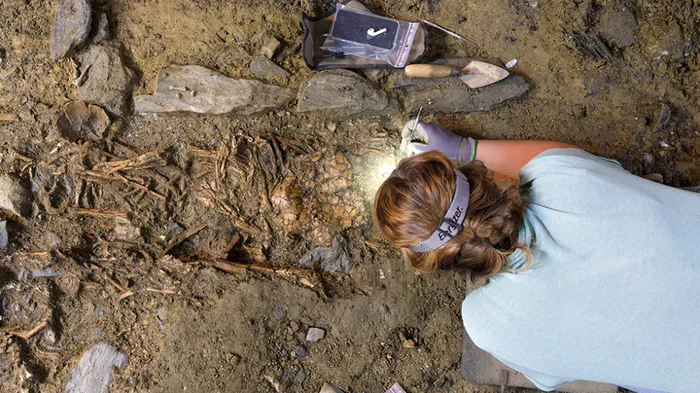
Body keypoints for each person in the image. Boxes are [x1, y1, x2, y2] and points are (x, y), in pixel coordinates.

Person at [373, 120, 700, 393]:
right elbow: (548, 156)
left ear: (433, 261)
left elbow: (553, 375)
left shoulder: (488, 325)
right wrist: (464, 148)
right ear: (478, 179)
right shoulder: (562, 177)